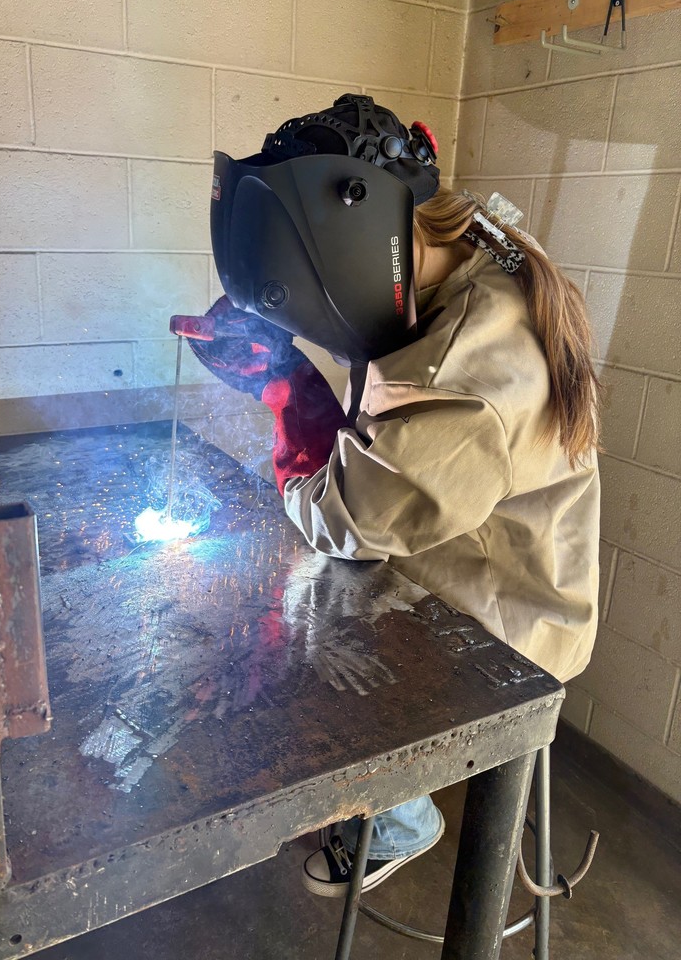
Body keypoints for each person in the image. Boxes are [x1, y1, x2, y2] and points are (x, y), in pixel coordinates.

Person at [188, 94, 601, 898]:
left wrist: (286, 393)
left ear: (351, 248)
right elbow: (387, 421)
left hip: (508, 624)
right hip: (467, 548)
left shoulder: (464, 371)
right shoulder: (459, 261)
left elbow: (346, 520)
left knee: (300, 611)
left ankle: (400, 816)